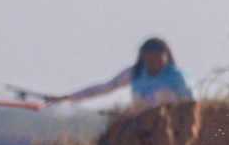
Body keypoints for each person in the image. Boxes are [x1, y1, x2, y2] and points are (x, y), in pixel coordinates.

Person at [48, 37, 194, 107]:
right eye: (151, 60)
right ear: (143, 58)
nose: (155, 65)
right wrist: (69, 97)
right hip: (142, 126)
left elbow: (191, 105)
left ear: (167, 58)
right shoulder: (135, 73)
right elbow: (105, 87)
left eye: (159, 60)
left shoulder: (177, 76)